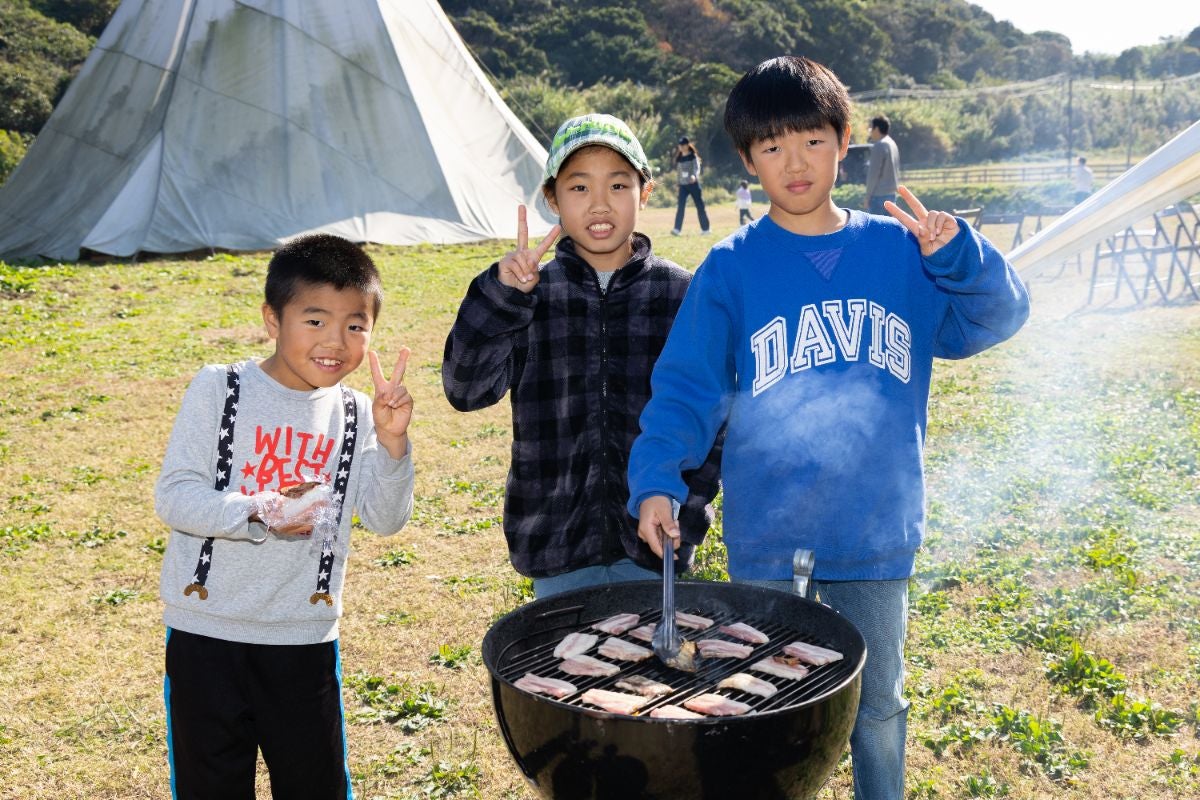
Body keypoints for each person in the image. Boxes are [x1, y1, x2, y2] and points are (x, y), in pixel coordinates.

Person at [627, 56, 1029, 800]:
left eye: (811, 140)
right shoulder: (731, 268)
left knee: (878, 706)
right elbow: (686, 388)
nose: (794, 162)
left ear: (845, 143)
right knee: (759, 697)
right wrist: (656, 479)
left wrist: (960, 254)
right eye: (771, 147)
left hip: (874, 529)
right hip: (771, 533)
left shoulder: (902, 254)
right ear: (748, 161)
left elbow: (996, 317)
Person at [156, 233, 415, 798]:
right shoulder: (219, 389)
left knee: (314, 786)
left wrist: (393, 444)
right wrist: (260, 510)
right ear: (273, 319)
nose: (335, 342)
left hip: (303, 639)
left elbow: (384, 518)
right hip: (208, 634)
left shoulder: (356, 414)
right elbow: (175, 495)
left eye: (355, 324)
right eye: (315, 320)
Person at [442, 113, 721, 599]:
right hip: (556, 542)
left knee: (651, 672)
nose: (599, 204)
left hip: (656, 547)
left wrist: (688, 508)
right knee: (563, 667)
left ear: (645, 192)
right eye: (578, 188)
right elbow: (465, 389)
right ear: (552, 198)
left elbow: (713, 416)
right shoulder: (531, 294)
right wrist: (501, 297)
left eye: (617, 185)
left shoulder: (680, 294)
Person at [671, 136, 711, 235]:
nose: (681, 147)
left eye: (683, 145)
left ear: (687, 145)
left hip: (693, 184)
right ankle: (677, 229)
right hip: (683, 186)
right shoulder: (679, 158)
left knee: (699, 206)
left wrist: (694, 176)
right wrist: (678, 182)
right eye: (680, 145)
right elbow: (679, 172)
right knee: (680, 207)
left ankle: (706, 229)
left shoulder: (693, 156)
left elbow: (696, 168)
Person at [864, 114, 900, 215]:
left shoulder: (879, 145)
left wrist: (867, 196)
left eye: (871, 128)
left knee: (875, 229)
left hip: (878, 196)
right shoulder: (892, 143)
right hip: (892, 194)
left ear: (877, 129)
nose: (870, 131)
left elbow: (873, 174)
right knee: (888, 228)